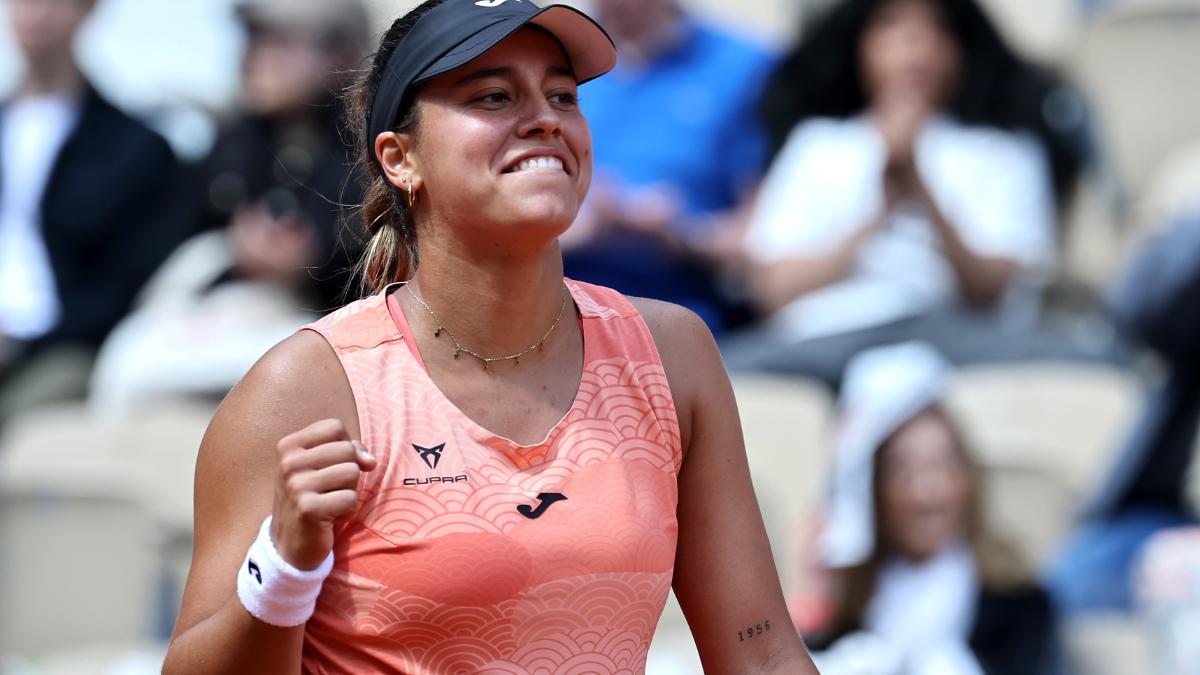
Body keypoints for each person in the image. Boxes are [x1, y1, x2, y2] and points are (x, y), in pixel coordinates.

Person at [163, 1, 818, 673]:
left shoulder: (673, 356)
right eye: (495, 96)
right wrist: (282, 567)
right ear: (400, 159)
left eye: (562, 95)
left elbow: (762, 655)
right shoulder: (304, 386)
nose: (545, 118)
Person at [723, 0, 1105, 387]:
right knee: (709, 378)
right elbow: (774, 292)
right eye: (891, 25)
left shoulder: (1002, 149)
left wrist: (920, 187)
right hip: (832, 335)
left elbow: (998, 293)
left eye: (938, 29)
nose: (915, 44)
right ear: (859, 43)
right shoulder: (818, 145)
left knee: (1100, 359)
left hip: (955, 335)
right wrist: (877, 214)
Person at [86, 0, 371, 417]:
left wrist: (311, 264)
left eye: (274, 40)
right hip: (215, 328)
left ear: (338, 54)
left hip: (322, 336)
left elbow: (393, 281)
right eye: (249, 38)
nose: (252, 55)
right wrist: (233, 249)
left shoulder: (372, 156)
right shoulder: (233, 145)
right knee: (128, 367)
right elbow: (153, 252)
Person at [802, 342, 1058, 675]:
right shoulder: (852, 605)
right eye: (902, 471)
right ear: (872, 492)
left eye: (944, 466)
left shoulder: (1018, 605)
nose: (928, 494)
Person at [0, 0, 182, 424]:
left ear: (88, 10)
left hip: (61, 348)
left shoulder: (135, 148)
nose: (35, 14)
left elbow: (126, 283)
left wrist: (17, 340)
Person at [560, 0, 776, 334]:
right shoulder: (552, 61)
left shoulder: (746, 66)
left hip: (682, 319)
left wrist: (680, 235)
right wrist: (574, 230)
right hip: (555, 308)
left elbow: (767, 235)